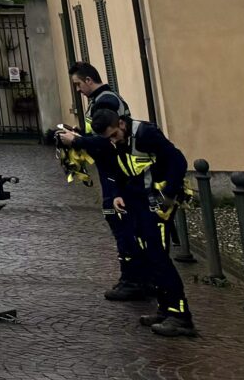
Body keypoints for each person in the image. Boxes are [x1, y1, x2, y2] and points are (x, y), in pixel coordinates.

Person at [55, 107, 195, 336]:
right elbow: (120, 168)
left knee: (159, 257)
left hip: (158, 203)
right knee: (149, 256)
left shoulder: (145, 134)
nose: (113, 141)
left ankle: (180, 315)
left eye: (114, 135)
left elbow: (178, 161)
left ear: (121, 123)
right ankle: (164, 309)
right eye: (108, 138)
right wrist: (118, 193)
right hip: (138, 202)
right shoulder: (117, 141)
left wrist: (168, 194)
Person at [66, 61, 140, 300]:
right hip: (111, 170)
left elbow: (106, 140)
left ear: (89, 80)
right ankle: (132, 277)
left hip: (114, 171)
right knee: (120, 222)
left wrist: (76, 141)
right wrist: (80, 134)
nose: (78, 90)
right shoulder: (101, 100)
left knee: (120, 222)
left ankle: (133, 280)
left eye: (78, 84)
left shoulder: (105, 101)